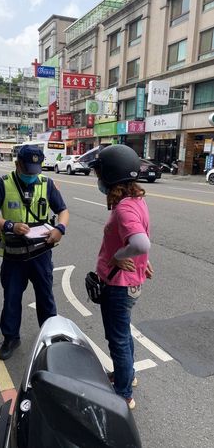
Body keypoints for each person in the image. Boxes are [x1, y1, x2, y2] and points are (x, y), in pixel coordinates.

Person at [0, 145, 69, 360]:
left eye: (35, 170)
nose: (32, 175)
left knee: (46, 297)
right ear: (17, 164)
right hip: (14, 256)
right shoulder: (3, 184)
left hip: (41, 254)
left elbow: (63, 211)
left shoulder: (46, 184)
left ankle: (49, 337)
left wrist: (60, 228)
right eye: (28, 170)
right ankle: (11, 337)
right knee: (11, 298)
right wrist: (9, 225)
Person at [89, 144, 153, 410]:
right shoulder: (137, 200)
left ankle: (123, 394)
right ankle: (127, 376)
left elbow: (140, 242)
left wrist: (119, 256)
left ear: (109, 176)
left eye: (99, 174)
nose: (98, 180)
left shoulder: (125, 207)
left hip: (117, 285)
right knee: (123, 333)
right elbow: (141, 239)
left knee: (117, 339)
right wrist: (142, 262)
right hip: (129, 282)